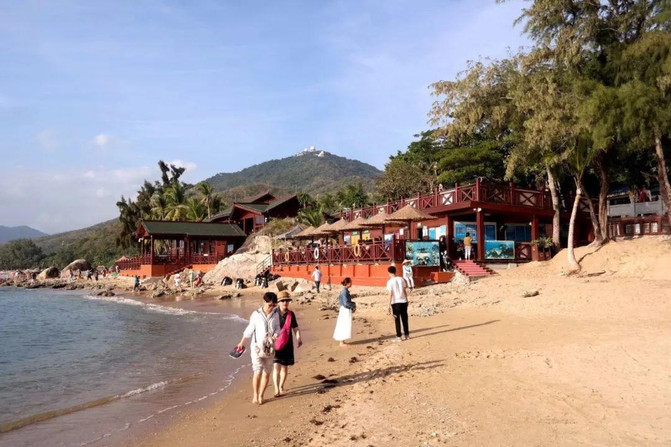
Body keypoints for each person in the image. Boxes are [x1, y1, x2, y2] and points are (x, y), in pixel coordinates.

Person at [236, 292, 280, 405]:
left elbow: (277, 328)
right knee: (257, 371)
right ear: (264, 302)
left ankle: (261, 396)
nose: (271, 307)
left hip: (270, 348)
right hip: (256, 348)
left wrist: (276, 335)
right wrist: (242, 342)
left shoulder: (275, 314)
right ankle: (255, 395)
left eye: (274, 305)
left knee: (267, 372)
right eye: (270, 305)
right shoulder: (256, 314)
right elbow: (250, 329)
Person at [273, 290, 302, 397]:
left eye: (287, 301)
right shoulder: (273, 313)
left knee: (284, 367)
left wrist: (298, 338)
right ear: (278, 302)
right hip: (275, 344)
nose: (285, 303)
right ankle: (276, 389)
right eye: (283, 301)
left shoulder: (291, 314)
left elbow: (295, 327)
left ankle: (281, 386)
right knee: (276, 366)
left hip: (287, 344)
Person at [386, 266, 410, 341]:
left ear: (389, 272)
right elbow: (404, 291)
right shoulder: (401, 279)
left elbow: (390, 294)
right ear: (395, 271)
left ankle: (399, 336)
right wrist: (407, 300)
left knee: (397, 320)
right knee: (404, 318)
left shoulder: (390, 282)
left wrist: (388, 306)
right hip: (403, 301)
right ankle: (407, 335)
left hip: (395, 302)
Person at [333, 277, 356, 347]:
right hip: (345, 310)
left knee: (344, 324)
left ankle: (342, 341)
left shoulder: (345, 291)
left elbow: (347, 302)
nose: (351, 283)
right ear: (348, 283)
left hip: (345, 309)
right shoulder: (344, 292)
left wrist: (353, 305)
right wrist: (353, 306)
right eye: (351, 282)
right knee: (344, 324)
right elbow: (346, 303)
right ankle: (341, 342)